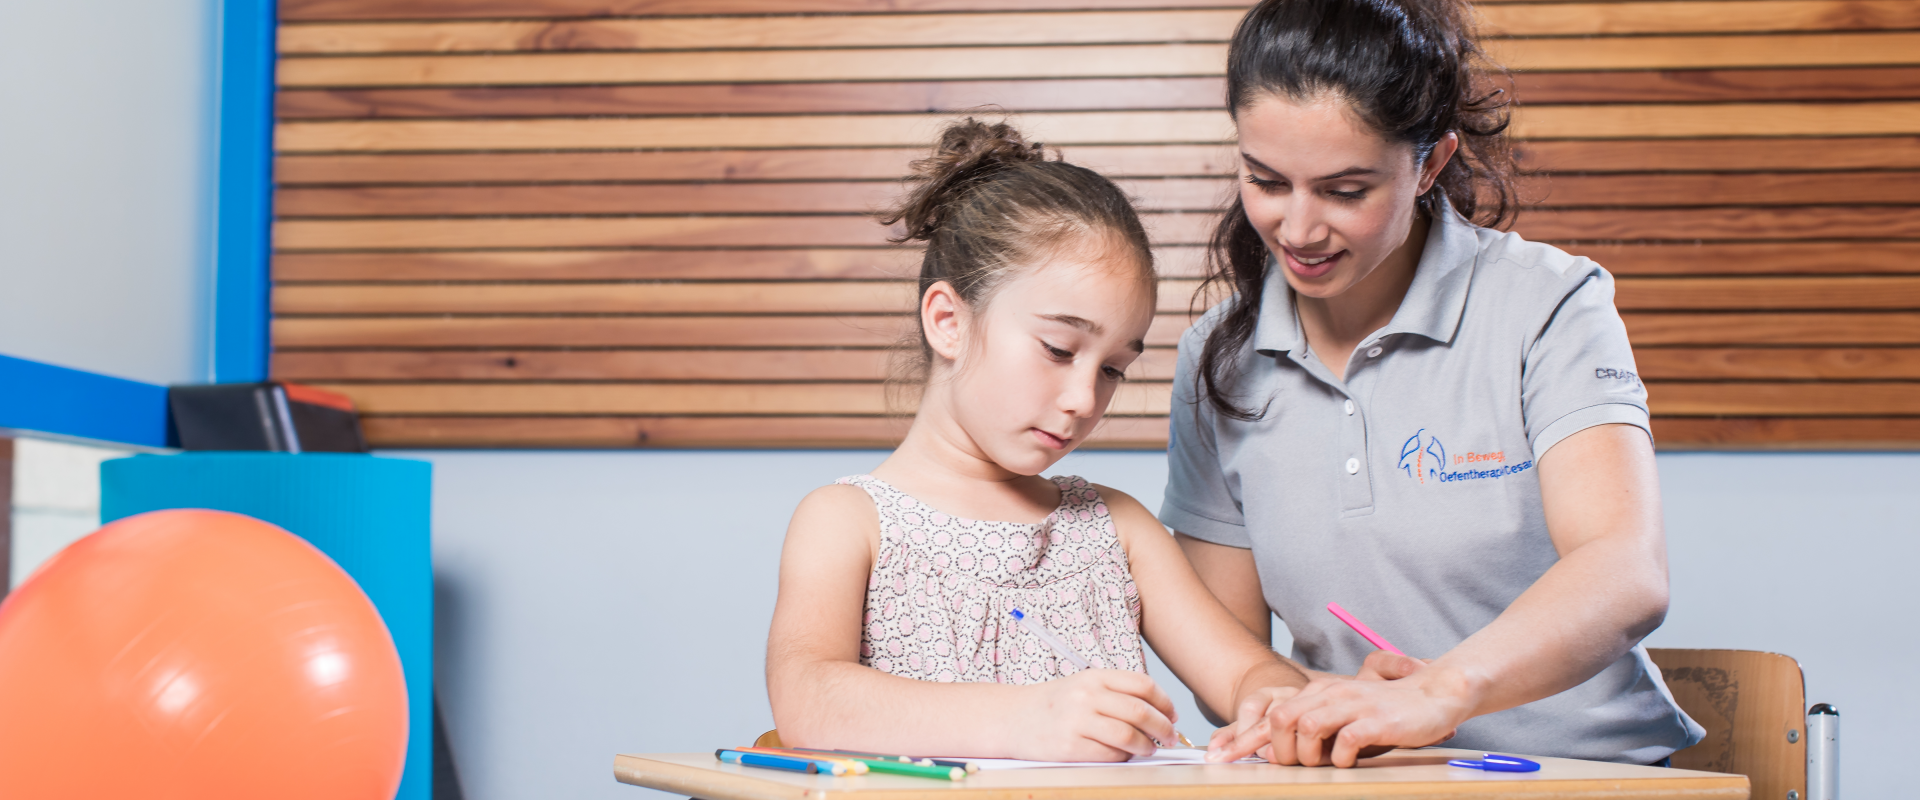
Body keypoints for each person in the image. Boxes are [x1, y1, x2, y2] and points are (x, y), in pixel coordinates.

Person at [1168, 0, 1706, 768]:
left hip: (1594, 776)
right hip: (1371, 784)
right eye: (1266, 181)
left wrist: (1440, 690)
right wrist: (1295, 711)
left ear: (1429, 162)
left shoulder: (1549, 303)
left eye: (1345, 191)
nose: (1298, 228)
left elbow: (1624, 570)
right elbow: (1229, 650)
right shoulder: (1215, 357)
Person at [765, 119, 1312, 761]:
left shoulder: (1116, 528)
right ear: (948, 321)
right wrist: (1020, 719)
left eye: (1113, 368)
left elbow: (1244, 673)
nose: (1086, 400)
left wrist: (1286, 703)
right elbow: (807, 700)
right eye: (1058, 349)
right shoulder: (848, 521)